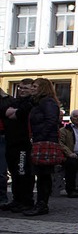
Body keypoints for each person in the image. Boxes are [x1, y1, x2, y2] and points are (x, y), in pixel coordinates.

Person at [23, 78, 61, 216]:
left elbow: (51, 120)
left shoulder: (47, 102)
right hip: (40, 140)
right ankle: (40, 202)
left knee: (43, 174)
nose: (32, 88)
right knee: (40, 173)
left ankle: (42, 204)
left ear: (42, 87)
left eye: (35, 86)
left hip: (44, 142)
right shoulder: (38, 103)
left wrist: (39, 136)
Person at [0, 79, 35, 212]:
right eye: (20, 88)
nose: (21, 90)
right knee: (14, 172)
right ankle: (17, 199)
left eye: (25, 88)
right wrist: (11, 112)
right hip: (11, 142)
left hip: (23, 143)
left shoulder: (31, 103)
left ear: (32, 89)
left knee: (23, 172)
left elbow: (20, 114)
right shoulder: (15, 101)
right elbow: (3, 111)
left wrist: (13, 112)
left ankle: (26, 200)